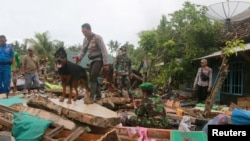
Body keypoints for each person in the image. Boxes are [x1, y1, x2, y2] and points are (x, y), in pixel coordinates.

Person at [73, 23, 109, 104]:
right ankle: (99, 96)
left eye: (85, 31)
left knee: (92, 76)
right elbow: (83, 50)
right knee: (94, 77)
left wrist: (105, 64)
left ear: (89, 30)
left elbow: (104, 51)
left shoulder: (97, 38)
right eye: (82, 32)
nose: (83, 33)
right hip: (91, 60)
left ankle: (91, 97)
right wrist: (79, 57)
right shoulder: (85, 39)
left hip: (99, 60)